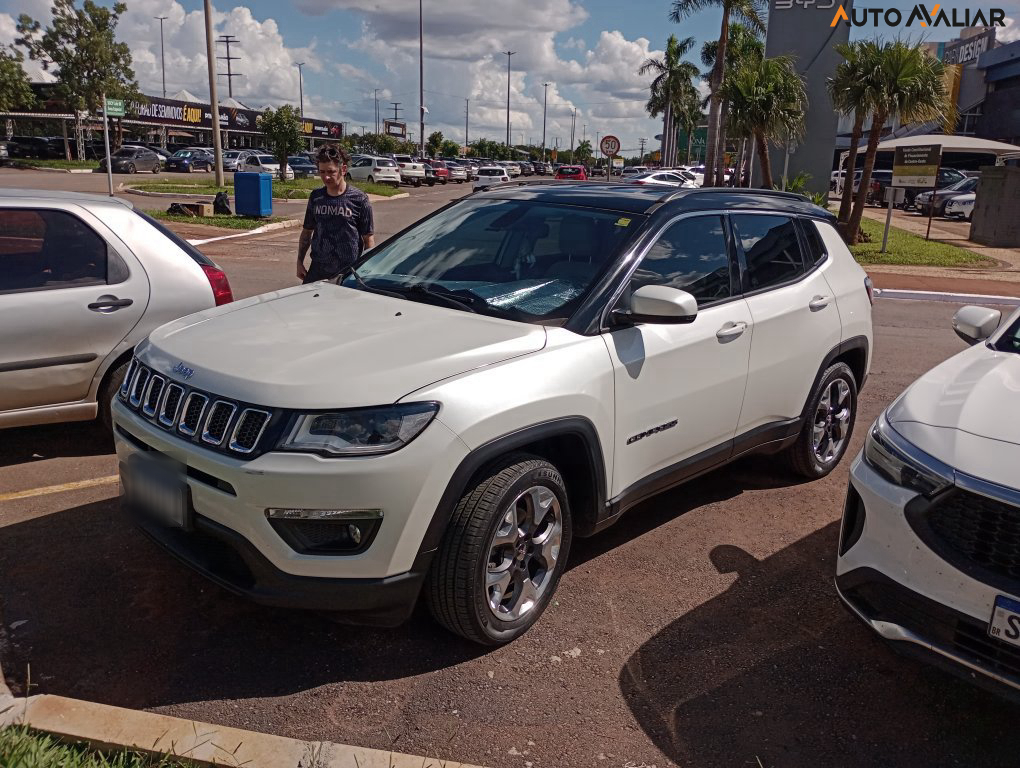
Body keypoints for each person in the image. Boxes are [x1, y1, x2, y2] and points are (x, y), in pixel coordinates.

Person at [296, 144, 375, 284]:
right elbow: (307, 232)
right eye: (322, 172)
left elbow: (368, 239)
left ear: (343, 169)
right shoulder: (316, 197)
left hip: (348, 273)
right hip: (318, 270)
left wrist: (368, 271)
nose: (326, 177)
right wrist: (299, 262)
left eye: (331, 172)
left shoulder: (359, 199)